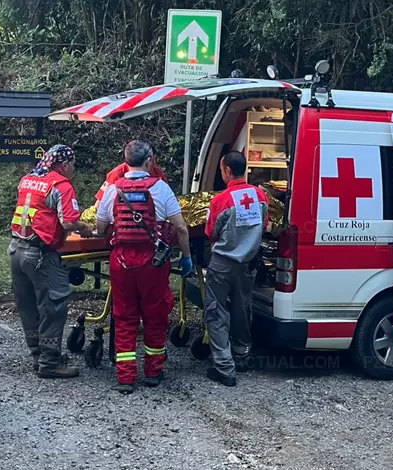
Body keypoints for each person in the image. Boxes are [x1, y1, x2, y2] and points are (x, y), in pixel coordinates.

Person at [95, 140, 193, 394]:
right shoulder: (161, 188)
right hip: (154, 262)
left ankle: (125, 377)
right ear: (150, 160)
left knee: (125, 316)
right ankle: (153, 371)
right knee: (155, 315)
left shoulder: (113, 190)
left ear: (125, 160)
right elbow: (181, 227)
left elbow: (101, 226)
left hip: (122, 262)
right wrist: (186, 257)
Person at [9, 144, 93, 378]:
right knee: (53, 306)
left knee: (28, 304)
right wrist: (85, 228)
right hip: (41, 254)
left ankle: (38, 355)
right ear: (64, 164)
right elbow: (68, 222)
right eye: (73, 165)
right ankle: (49, 362)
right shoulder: (61, 185)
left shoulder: (27, 179)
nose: (73, 169)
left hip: (16, 248)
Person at [203, 151, 269, 386]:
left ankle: (224, 367)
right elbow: (266, 225)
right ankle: (242, 355)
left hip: (222, 263)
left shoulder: (221, 200)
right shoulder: (261, 195)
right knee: (242, 309)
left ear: (227, 170)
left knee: (216, 311)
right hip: (247, 264)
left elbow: (210, 233)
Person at [93, 158, 168, 209]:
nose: (152, 163)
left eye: (153, 160)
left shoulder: (157, 173)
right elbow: (100, 201)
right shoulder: (117, 173)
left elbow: (167, 197)